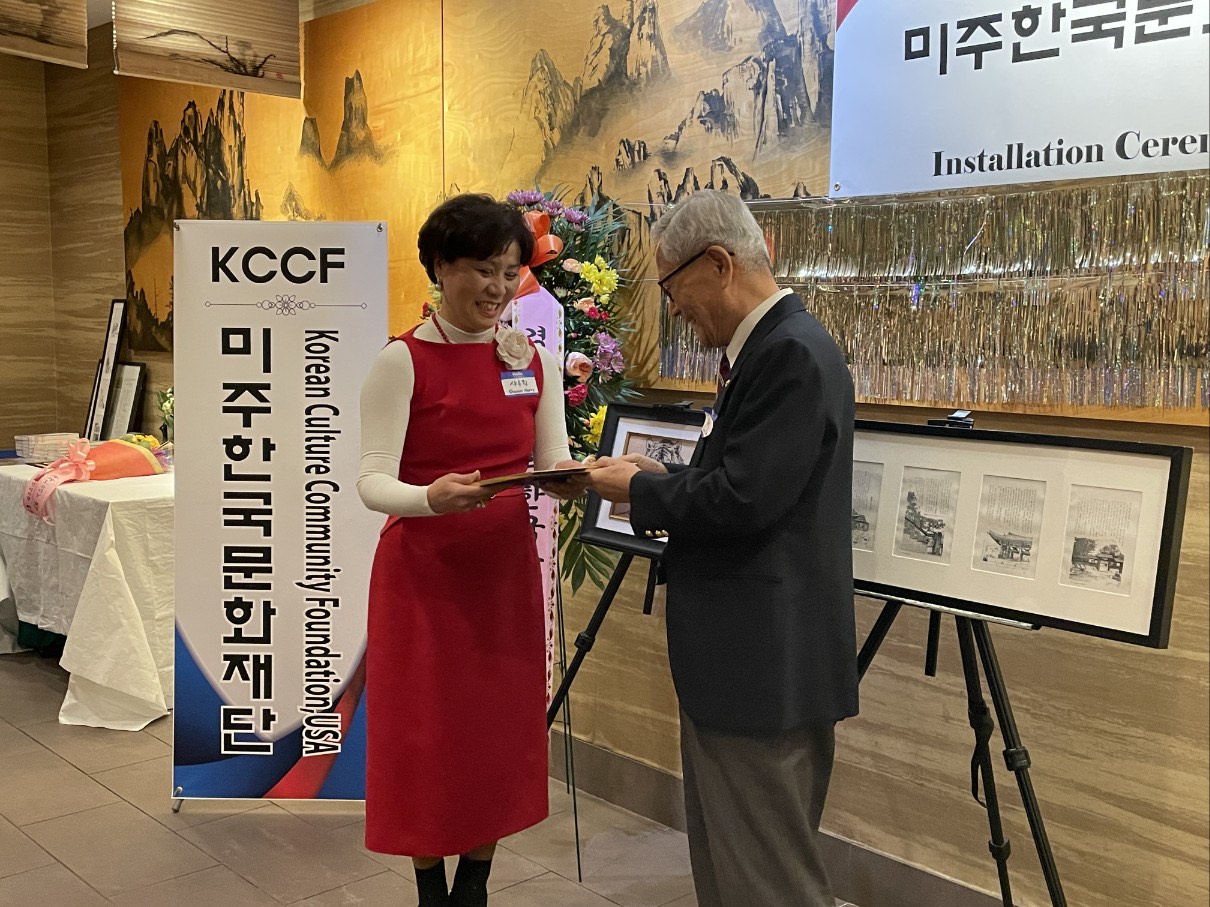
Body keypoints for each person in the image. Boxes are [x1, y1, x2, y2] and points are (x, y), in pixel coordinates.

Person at [588, 190, 859, 907]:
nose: (673, 308)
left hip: (762, 671)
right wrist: (656, 478)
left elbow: (745, 500)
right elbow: (746, 480)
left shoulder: (790, 354)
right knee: (731, 873)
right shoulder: (767, 351)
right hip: (741, 667)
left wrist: (642, 492)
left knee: (768, 882)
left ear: (718, 263)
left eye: (671, 288)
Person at [357, 193, 587, 907]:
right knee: (424, 733)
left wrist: (574, 479)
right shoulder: (401, 360)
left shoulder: (535, 360)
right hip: (421, 577)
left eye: (511, 272)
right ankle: (431, 888)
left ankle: (476, 885)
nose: (498, 288)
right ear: (440, 267)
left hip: (502, 575)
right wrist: (431, 498)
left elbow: (551, 460)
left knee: (494, 729)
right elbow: (369, 481)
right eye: (483, 269)